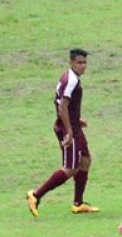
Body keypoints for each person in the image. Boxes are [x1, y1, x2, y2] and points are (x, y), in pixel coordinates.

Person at [26, 48, 98, 216]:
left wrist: (77, 119)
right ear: (71, 62)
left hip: (73, 126)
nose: (83, 66)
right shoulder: (71, 80)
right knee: (71, 168)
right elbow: (62, 107)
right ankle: (35, 195)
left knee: (86, 160)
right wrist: (69, 131)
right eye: (79, 63)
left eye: (85, 63)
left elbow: (61, 103)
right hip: (68, 129)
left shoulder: (69, 77)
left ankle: (78, 203)